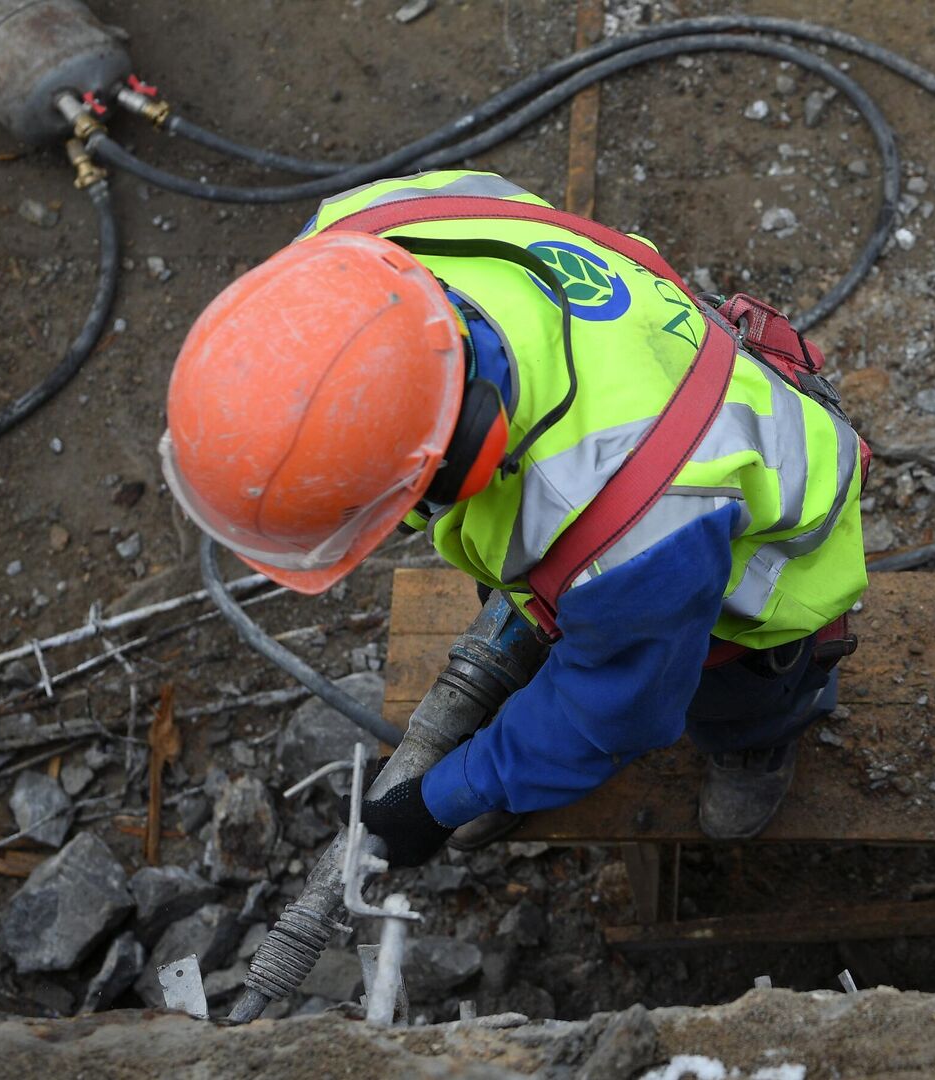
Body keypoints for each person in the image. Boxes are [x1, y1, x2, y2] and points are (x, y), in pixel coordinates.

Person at [161, 170, 868, 861]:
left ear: (462, 460)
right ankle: (543, 701)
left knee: (735, 695)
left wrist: (445, 798)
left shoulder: (632, 539)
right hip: (641, 383)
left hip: (756, 582)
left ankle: (756, 745)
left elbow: (617, 713)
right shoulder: (359, 232)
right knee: (569, 603)